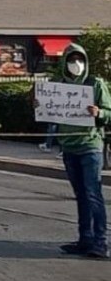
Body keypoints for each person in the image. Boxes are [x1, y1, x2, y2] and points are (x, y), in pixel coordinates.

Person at [43, 43, 111, 258]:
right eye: (72, 60)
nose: (76, 64)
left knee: (93, 194)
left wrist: (100, 113)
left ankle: (100, 241)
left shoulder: (95, 83)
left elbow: (109, 112)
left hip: (90, 146)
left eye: (79, 59)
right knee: (81, 195)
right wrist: (39, 105)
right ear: (65, 63)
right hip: (69, 147)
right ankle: (85, 238)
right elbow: (48, 111)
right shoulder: (58, 85)